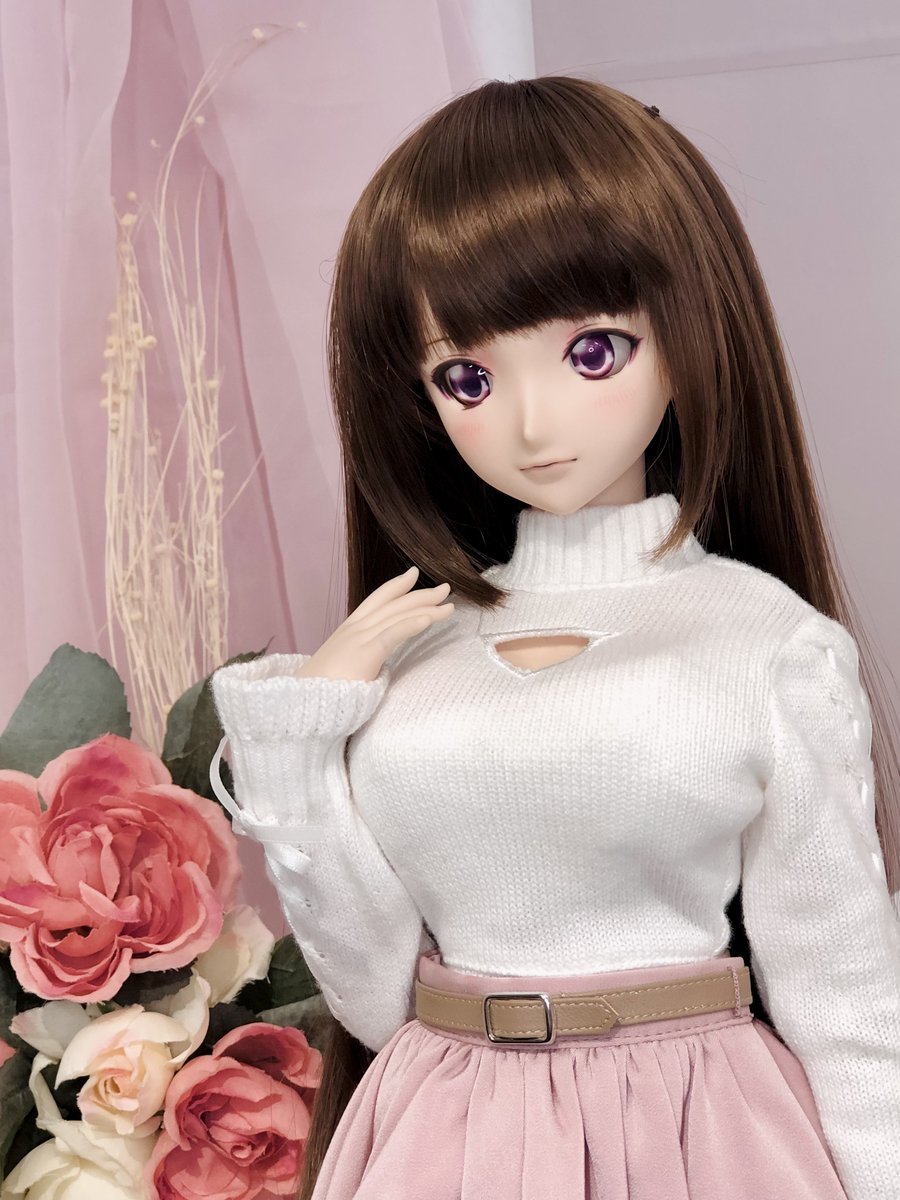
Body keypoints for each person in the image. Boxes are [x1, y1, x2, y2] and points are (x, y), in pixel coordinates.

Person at [210, 75, 900, 1199]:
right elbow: (374, 998)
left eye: (593, 354)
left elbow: (846, 994)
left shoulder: (764, 644)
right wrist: (296, 742)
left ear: (690, 332)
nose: (533, 426)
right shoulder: (410, 652)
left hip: (700, 1135)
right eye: (468, 378)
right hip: (444, 1134)